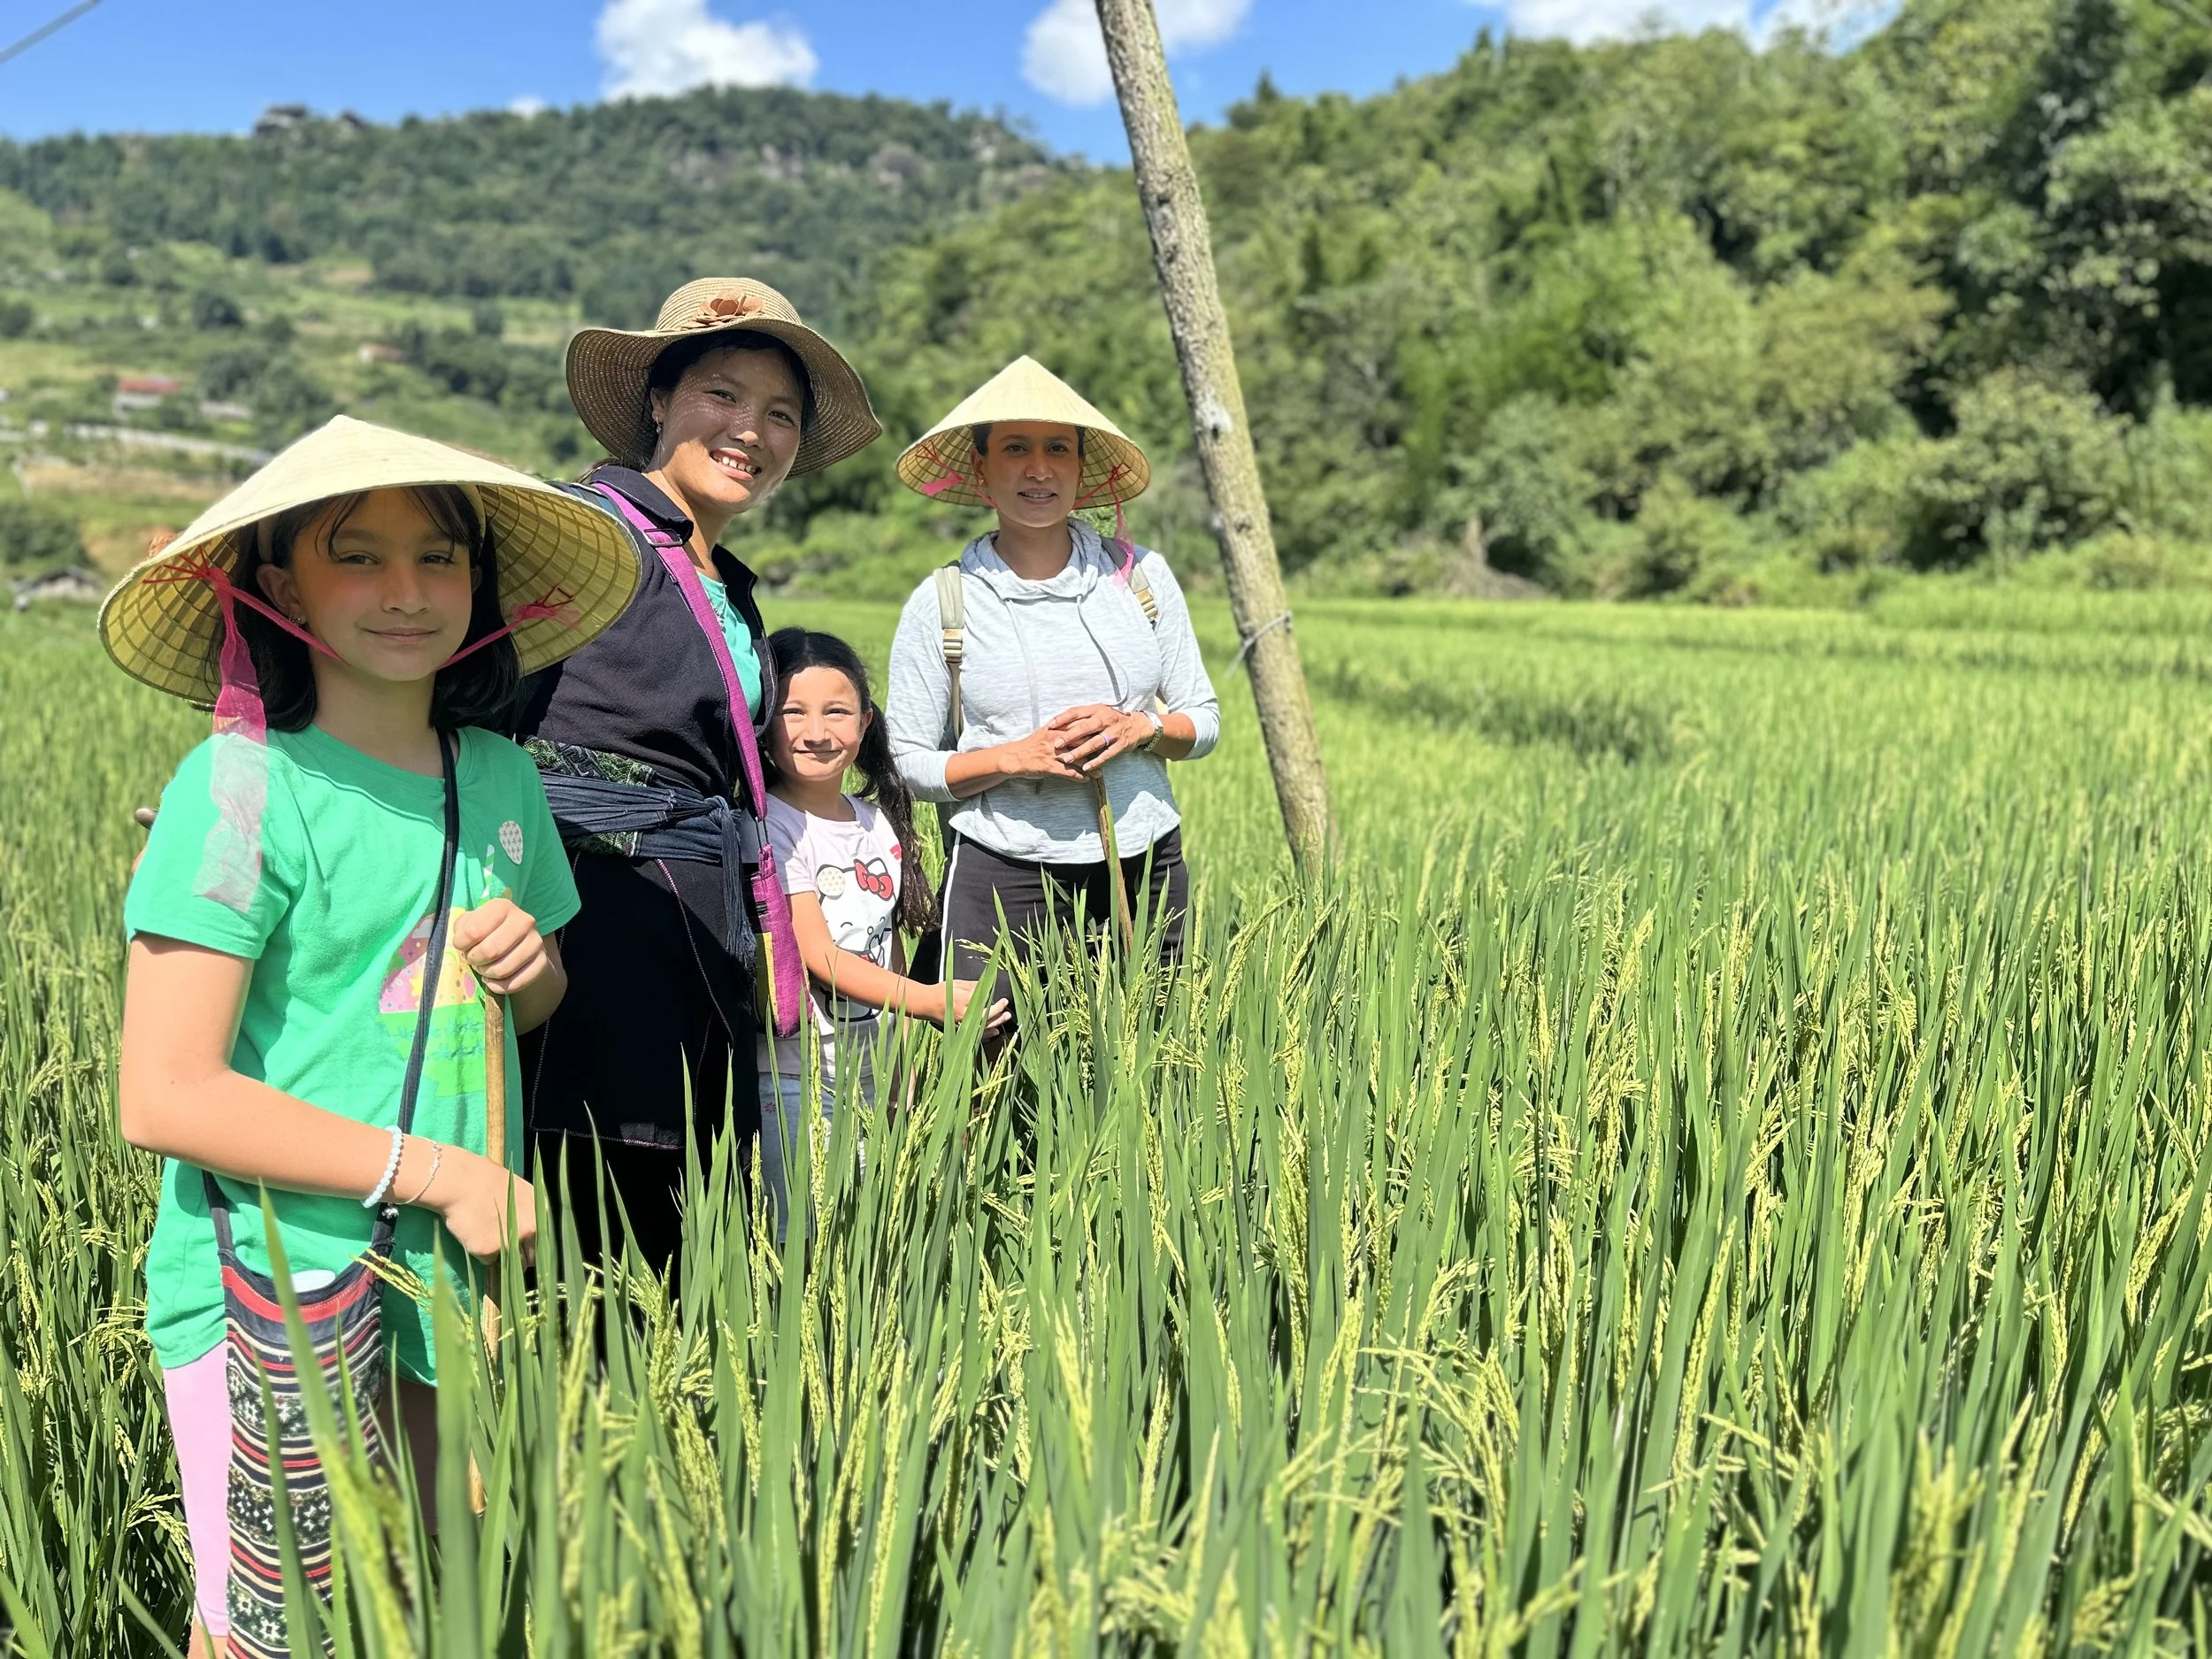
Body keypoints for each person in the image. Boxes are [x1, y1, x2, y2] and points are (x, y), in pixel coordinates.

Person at [101, 417, 636, 1659]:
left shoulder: (500, 775)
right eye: (359, 557)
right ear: (284, 589)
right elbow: (165, 1092)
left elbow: (532, 995)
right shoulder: (242, 789)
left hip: (455, 1281)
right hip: (280, 1279)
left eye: (439, 558)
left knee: (429, 1603)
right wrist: (442, 1172)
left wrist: (531, 962)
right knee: (268, 1628)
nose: (407, 592)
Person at [508, 278, 881, 1275]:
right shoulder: (582, 537)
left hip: (699, 939)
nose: (748, 430)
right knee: (595, 1223)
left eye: (778, 415)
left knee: (680, 1222)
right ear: (659, 403)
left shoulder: (728, 583)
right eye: (721, 395)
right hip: (595, 922)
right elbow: (449, 689)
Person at [885, 357, 1221, 983]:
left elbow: (1204, 720)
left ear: (1078, 468)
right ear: (982, 469)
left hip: (1143, 858)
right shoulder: (945, 603)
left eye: (1057, 449)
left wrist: (1139, 729)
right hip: (1002, 863)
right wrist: (1015, 757)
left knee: (1146, 1051)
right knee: (993, 1064)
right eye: (1015, 448)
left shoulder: (1141, 579)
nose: (1038, 468)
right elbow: (904, 761)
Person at [756, 627, 1010, 1235]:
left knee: (865, 1240)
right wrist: (927, 1000)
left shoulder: (876, 825)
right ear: (761, 721)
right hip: (793, 1079)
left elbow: (888, 949)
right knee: (803, 1243)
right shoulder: (770, 823)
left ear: (866, 722)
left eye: (836, 711)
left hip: (870, 1079)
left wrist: (900, 1078)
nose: (817, 732)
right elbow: (819, 954)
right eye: (793, 711)